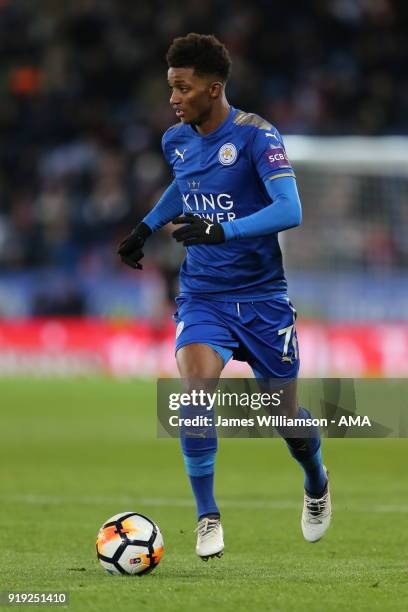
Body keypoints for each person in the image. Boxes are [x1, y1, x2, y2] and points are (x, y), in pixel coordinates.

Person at [118, 33, 331, 560]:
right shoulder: (177, 139)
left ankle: (317, 480)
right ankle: (206, 516)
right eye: (171, 87)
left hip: (262, 298)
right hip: (203, 295)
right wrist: (145, 227)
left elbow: (290, 209)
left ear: (214, 89)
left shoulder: (259, 137)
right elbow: (184, 185)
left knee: (285, 418)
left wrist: (223, 229)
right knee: (193, 394)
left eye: (183, 88)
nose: (173, 97)